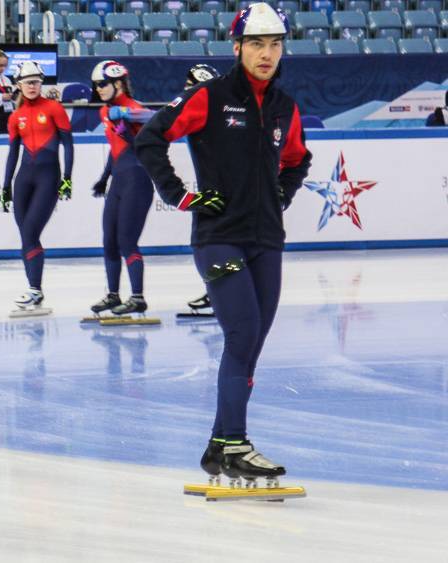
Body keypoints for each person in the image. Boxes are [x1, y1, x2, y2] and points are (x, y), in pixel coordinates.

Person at [135, 3, 312, 486]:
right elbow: (150, 139)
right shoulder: (209, 97)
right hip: (218, 240)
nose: (266, 53)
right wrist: (180, 195)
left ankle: (221, 445)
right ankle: (235, 443)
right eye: (256, 44)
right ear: (237, 48)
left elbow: (298, 159)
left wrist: (282, 193)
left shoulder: (284, 106)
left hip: (266, 241)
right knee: (242, 332)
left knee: (250, 344)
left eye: (275, 44)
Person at [2, 61, 74, 315]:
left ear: (41, 83)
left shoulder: (54, 109)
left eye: (36, 82)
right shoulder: (15, 117)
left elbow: (68, 144)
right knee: (26, 235)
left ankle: (34, 289)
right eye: (27, 82)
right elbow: (12, 154)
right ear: (19, 85)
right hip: (24, 179)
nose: (32, 86)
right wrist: (5, 185)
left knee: (31, 230)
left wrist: (67, 177)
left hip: (48, 177)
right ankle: (36, 290)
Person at [87, 60, 156, 318]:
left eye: (103, 84)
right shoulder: (104, 112)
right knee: (109, 241)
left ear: (118, 83)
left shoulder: (132, 107)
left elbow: (155, 118)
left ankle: (138, 298)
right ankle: (113, 294)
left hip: (137, 181)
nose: (99, 89)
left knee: (128, 241)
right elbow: (116, 150)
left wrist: (128, 116)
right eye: (96, 85)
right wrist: (105, 177)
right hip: (118, 180)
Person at [179, 63, 222, 318]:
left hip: (218, 192)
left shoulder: (207, 113)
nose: (184, 90)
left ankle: (222, 294)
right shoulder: (207, 111)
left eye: (188, 85)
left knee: (206, 244)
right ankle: (218, 292)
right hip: (213, 189)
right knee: (205, 245)